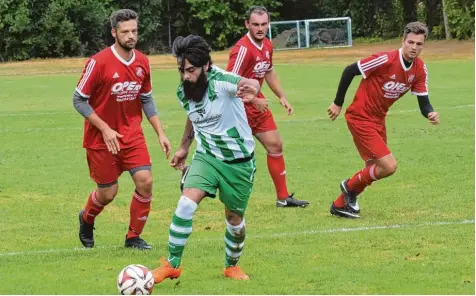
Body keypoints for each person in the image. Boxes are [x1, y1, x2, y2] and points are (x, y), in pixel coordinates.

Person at [151, 35, 260, 283]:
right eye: (182, 70)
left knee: (234, 220)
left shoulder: (222, 81)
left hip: (238, 162)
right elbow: (193, 113)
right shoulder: (184, 90)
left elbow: (247, 82)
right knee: (186, 204)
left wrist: (253, 87)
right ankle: (173, 263)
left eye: (191, 70)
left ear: (206, 66)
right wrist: (183, 147)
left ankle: (231, 266)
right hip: (207, 156)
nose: (186, 76)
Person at [73, 9, 171, 249]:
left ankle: (133, 238)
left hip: (132, 135)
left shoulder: (142, 62)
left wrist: (160, 132)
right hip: (101, 139)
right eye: (125, 31)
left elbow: (146, 99)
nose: (131, 36)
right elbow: (78, 99)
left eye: (134, 31)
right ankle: (86, 218)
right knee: (108, 194)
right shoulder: (98, 63)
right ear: (113, 32)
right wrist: (105, 129)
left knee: (145, 181)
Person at [327, 22, 440, 218]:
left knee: (374, 168)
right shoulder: (384, 60)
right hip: (360, 117)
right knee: (389, 166)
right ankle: (349, 185)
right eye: (411, 42)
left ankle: (340, 204)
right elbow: (349, 70)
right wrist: (337, 103)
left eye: (419, 44)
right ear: (402, 41)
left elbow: (424, 103)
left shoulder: (420, 69)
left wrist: (430, 113)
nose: (414, 47)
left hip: (379, 119)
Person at [225, 6, 309, 208]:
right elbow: (228, 83)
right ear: (247, 24)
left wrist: (282, 96)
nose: (260, 28)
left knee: (275, 145)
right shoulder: (242, 49)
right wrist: (254, 99)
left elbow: (268, 71)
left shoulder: (268, 46)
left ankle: (283, 198)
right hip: (237, 110)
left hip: (257, 107)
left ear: (268, 24)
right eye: (255, 24)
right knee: (235, 160)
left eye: (263, 24)